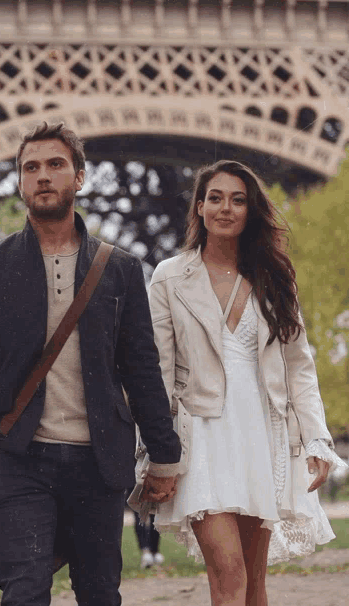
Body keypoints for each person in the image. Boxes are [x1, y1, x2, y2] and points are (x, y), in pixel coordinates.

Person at [0, 121, 182, 606]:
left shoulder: (119, 268)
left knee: (99, 594)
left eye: (56, 164)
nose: (43, 175)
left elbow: (141, 368)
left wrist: (163, 454)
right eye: (31, 167)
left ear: (80, 177)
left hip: (99, 462)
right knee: (25, 592)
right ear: (20, 182)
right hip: (19, 458)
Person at [148, 160, 348, 606]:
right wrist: (159, 453)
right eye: (215, 198)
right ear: (199, 207)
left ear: (250, 210)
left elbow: (300, 365)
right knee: (229, 573)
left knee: (255, 586)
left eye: (238, 200)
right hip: (200, 436)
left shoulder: (275, 277)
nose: (225, 208)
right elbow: (157, 370)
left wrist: (316, 438)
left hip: (263, 435)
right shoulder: (169, 277)